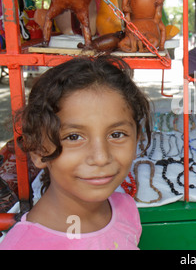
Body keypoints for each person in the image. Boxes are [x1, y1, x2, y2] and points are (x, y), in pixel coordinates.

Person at [0, 56, 152, 250]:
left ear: (136, 137)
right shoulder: (24, 246)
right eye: (73, 137)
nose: (101, 157)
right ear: (37, 148)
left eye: (116, 134)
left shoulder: (124, 208)